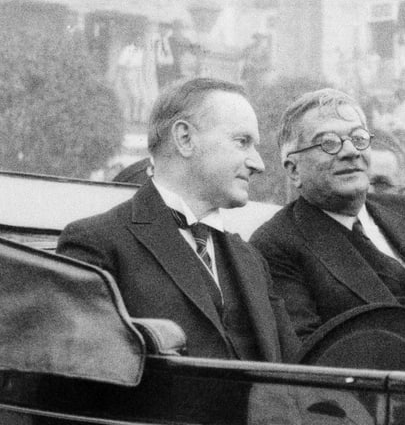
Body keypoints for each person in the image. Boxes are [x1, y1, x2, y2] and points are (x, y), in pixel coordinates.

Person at [250, 88, 405, 374]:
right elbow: (306, 358)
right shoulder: (276, 245)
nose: (350, 152)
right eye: (328, 143)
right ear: (293, 169)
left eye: (359, 138)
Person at [57, 78, 299, 362]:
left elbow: (296, 372)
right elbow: (82, 379)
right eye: (242, 142)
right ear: (185, 139)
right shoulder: (97, 243)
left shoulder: (251, 260)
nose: (258, 163)